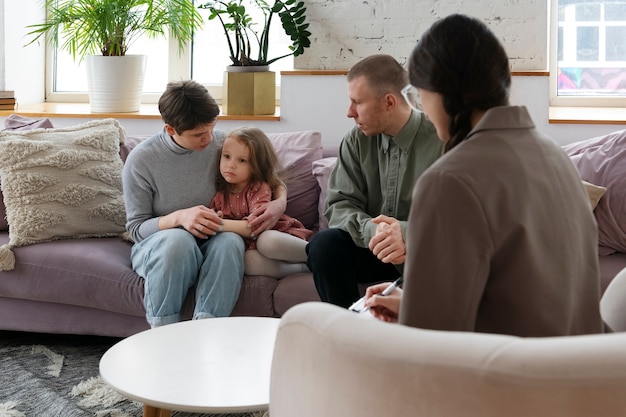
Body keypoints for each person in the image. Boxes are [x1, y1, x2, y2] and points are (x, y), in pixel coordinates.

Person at [364, 14, 604, 336]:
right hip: (578, 369)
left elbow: (429, 337)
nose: (420, 105)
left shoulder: (449, 180)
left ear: (439, 90)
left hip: (504, 378)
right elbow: (521, 297)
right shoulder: (556, 157)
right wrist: (411, 304)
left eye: (418, 94)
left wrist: (408, 316)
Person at [123, 80, 287, 327]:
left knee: (231, 241)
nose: (209, 139)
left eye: (212, 128)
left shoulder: (224, 145)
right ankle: (162, 333)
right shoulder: (141, 161)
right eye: (199, 135)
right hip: (164, 246)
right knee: (177, 240)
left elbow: (271, 179)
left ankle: (207, 328)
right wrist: (179, 218)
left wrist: (279, 204)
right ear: (170, 130)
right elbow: (136, 230)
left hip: (216, 237)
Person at [305, 54, 443, 308]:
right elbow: (339, 205)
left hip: (424, 253)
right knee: (323, 245)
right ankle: (347, 331)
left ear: (389, 102)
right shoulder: (355, 141)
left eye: (357, 102)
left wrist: (405, 234)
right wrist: (376, 231)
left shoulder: (442, 139)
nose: (349, 112)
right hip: (371, 247)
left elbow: (458, 218)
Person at [209, 127, 313, 278]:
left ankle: (317, 255)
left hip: (277, 235)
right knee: (248, 262)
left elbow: (254, 227)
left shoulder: (258, 187)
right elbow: (215, 218)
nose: (230, 165)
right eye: (226, 156)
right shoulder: (220, 194)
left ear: (256, 165)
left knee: (266, 241)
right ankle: (305, 268)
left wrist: (216, 224)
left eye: (242, 160)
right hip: (252, 248)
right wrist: (215, 217)